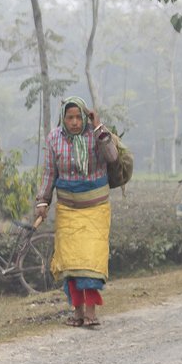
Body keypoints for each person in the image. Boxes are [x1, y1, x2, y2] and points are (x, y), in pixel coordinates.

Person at [35, 96, 118, 328]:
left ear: (85, 116)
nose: (74, 122)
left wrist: (99, 126)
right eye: (69, 117)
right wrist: (43, 201)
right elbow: (50, 173)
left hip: (96, 209)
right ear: (63, 119)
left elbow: (112, 156)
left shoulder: (96, 134)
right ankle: (78, 313)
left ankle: (91, 313)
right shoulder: (54, 138)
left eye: (77, 117)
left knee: (91, 260)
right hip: (68, 210)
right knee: (71, 262)